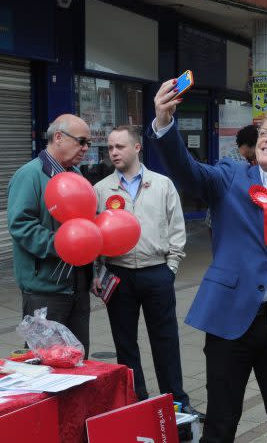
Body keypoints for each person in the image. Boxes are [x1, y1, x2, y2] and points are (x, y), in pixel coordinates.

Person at [149, 78, 267, 443]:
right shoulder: (230, 178)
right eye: (265, 132)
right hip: (230, 321)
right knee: (221, 422)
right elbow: (187, 171)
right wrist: (164, 123)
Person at [92, 125, 200, 417]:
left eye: (120, 147)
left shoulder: (162, 184)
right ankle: (136, 399)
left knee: (165, 339)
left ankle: (175, 399)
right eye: (110, 148)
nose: (114, 152)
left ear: (137, 148)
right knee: (124, 343)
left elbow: (177, 227)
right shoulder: (101, 189)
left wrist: (172, 267)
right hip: (118, 274)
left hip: (157, 273)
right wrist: (97, 271)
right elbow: (94, 235)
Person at [8, 114, 93, 354]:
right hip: (44, 291)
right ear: (58, 137)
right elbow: (21, 225)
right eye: (81, 141)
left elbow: (85, 226)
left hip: (78, 287)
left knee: (77, 358)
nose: (86, 148)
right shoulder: (30, 175)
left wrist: (92, 270)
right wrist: (63, 245)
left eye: (88, 143)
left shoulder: (76, 175)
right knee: (45, 362)